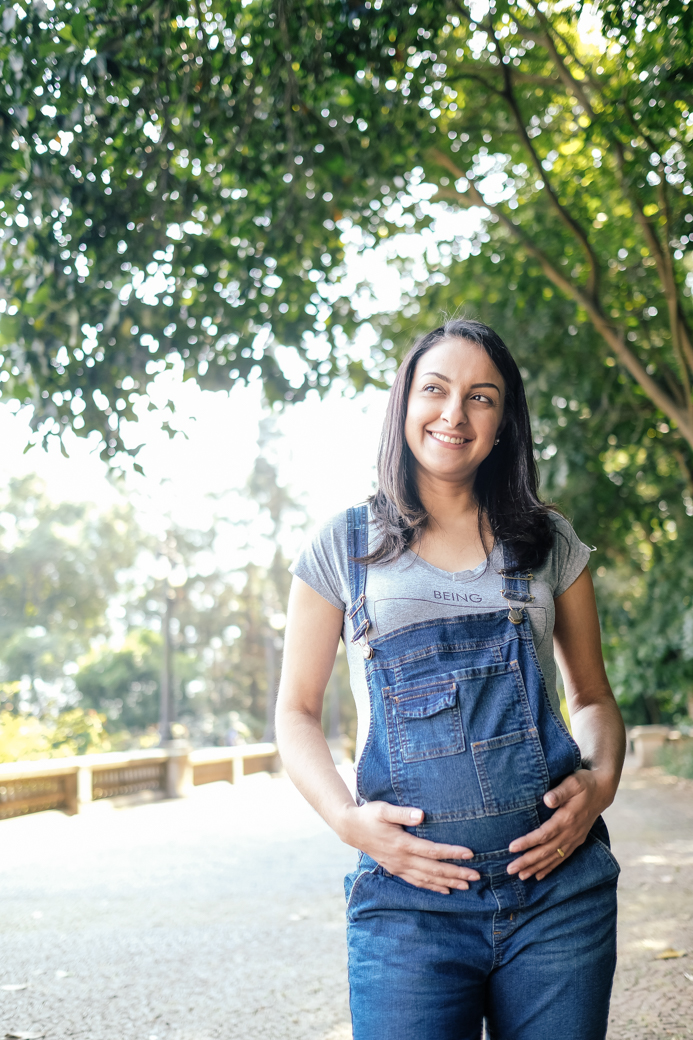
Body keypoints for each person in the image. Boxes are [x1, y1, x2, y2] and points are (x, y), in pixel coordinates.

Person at [275, 318, 625, 1040]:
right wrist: (346, 821)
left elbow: (591, 698)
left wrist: (600, 783)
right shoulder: (344, 546)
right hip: (408, 907)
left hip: (557, 897)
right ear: (404, 403)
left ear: (504, 422)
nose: (454, 414)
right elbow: (296, 712)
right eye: (434, 390)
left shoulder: (548, 541)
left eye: (481, 397)